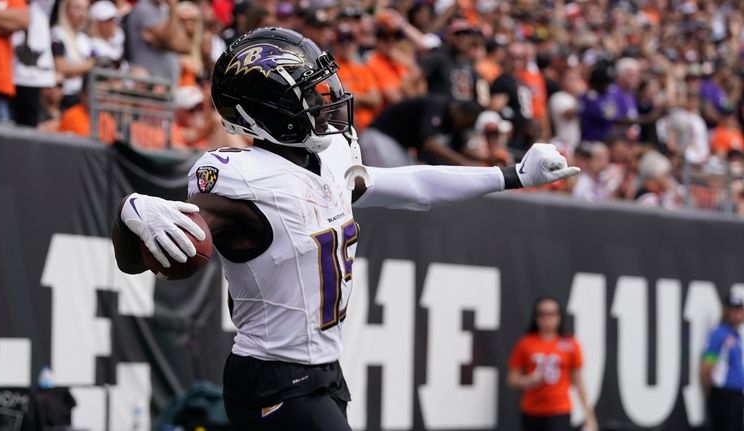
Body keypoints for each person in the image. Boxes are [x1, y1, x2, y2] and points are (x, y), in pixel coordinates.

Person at [111, 28, 579, 430]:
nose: (327, 99)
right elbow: (149, 254)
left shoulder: (329, 158)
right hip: (272, 379)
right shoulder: (242, 180)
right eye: (309, 94)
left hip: (322, 373)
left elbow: (412, 184)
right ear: (268, 111)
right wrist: (130, 216)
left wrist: (512, 174)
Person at [508, 297, 597, 431]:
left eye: (551, 314)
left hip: (559, 409)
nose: (547, 318)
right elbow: (512, 378)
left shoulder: (570, 343)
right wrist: (526, 381)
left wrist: (589, 416)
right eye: (542, 314)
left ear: (559, 316)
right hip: (531, 410)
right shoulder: (526, 343)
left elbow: (579, 382)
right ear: (536, 317)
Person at [702, 291, 744, 431]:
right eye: (733, 310)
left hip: (737, 396)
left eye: (739, 310)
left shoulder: (737, 336)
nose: (737, 314)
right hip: (723, 395)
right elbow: (707, 367)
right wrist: (713, 394)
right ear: (726, 311)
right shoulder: (718, 334)